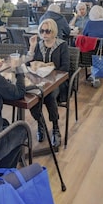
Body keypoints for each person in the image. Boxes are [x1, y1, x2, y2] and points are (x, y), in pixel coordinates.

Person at [25, 19, 69, 148]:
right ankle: (40, 123)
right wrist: (32, 48)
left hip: (57, 82)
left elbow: (65, 67)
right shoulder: (39, 45)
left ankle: (55, 127)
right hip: (39, 81)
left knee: (49, 96)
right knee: (31, 96)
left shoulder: (62, 45)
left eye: (47, 31)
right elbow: (28, 64)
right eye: (42, 31)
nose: (44, 34)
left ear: (53, 31)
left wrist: (49, 71)